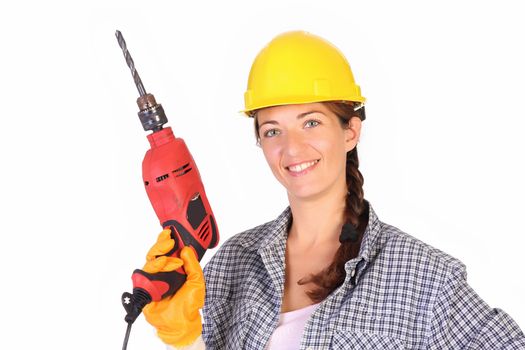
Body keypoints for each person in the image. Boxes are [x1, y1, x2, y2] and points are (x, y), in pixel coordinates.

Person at [141, 31, 525, 349]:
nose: (291, 147)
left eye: (310, 122)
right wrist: (185, 337)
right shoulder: (232, 264)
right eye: (272, 129)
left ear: (350, 132)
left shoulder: (424, 277)